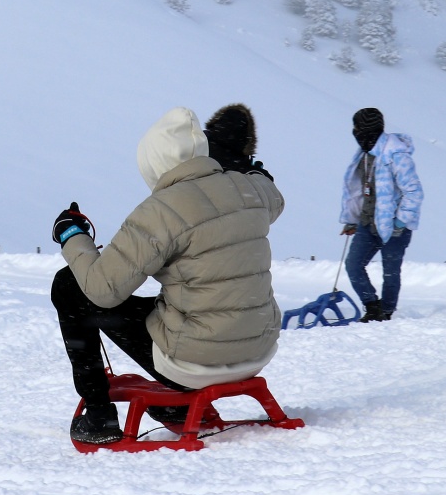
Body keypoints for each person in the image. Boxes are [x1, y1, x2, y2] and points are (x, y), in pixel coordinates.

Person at [51, 107, 285, 445]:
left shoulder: (160, 211)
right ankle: (173, 410)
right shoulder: (252, 191)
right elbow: (271, 191)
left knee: (70, 285)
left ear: (153, 163)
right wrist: (244, 167)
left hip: (195, 363)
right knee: (180, 300)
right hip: (258, 350)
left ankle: (99, 415)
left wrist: (72, 235)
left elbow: (103, 290)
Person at [340, 107, 422, 322]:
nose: (355, 132)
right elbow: (357, 191)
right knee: (353, 265)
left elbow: (414, 192)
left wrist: (400, 221)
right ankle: (372, 306)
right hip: (368, 223)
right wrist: (351, 219)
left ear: (368, 130)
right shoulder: (364, 155)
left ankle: (385, 313)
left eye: (357, 127)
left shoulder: (397, 157)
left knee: (390, 273)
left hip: (396, 227)